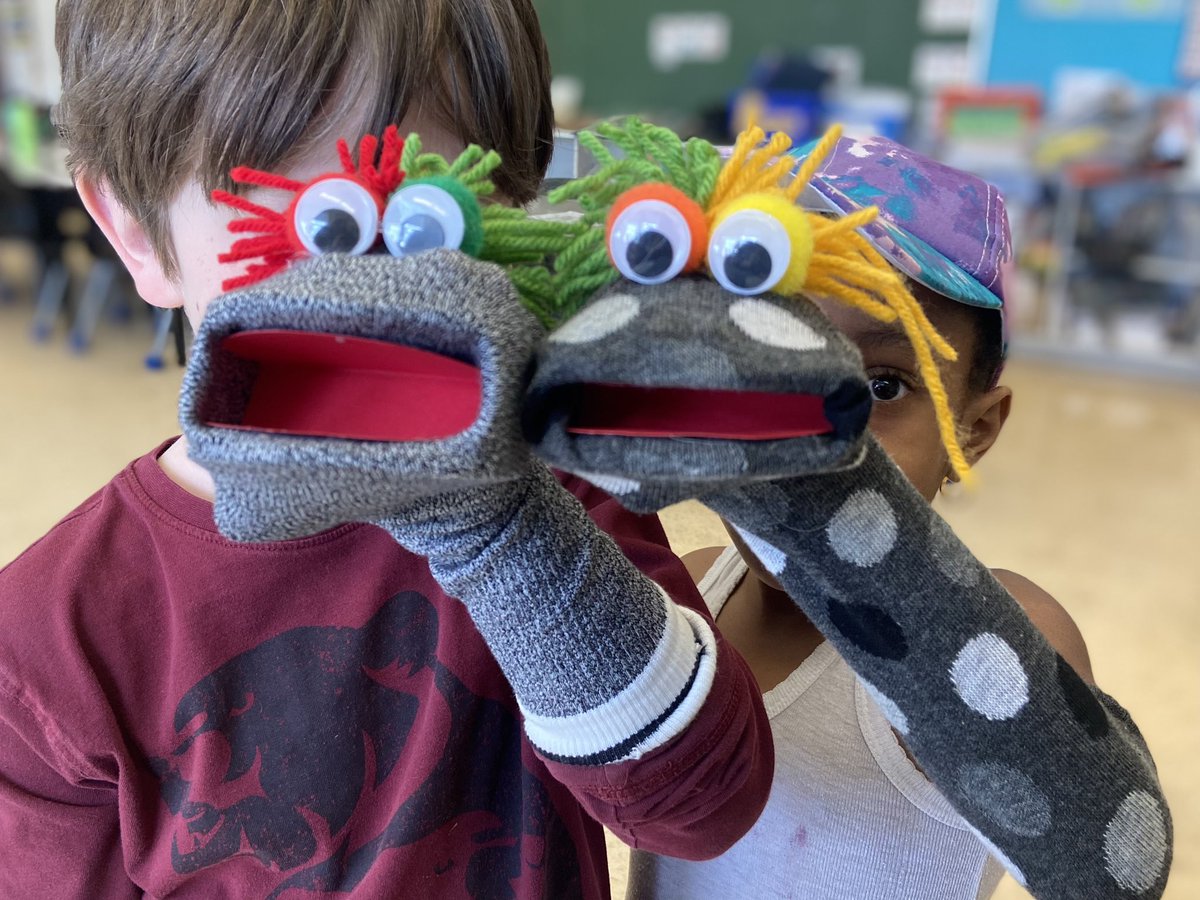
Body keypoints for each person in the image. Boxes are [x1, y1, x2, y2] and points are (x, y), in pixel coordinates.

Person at [0, 2, 772, 897]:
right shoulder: (47, 643)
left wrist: (499, 528)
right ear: (136, 229)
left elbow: (701, 806)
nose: (362, 281)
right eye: (298, 218)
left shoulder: (551, 492)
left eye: (423, 217)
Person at [523, 133, 1167, 899]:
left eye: (884, 387)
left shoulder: (1011, 633)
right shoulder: (693, 591)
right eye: (762, 364)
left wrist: (824, 499)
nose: (810, 426)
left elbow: (1114, 865)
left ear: (976, 427)